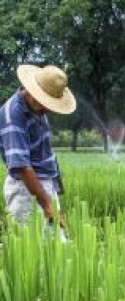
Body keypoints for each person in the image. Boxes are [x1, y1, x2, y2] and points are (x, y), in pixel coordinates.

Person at [0, 65, 77, 238]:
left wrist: (55, 189)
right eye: (48, 103)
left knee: (57, 245)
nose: (50, 109)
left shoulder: (37, 110)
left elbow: (44, 151)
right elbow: (21, 166)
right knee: (29, 246)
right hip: (25, 190)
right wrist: (47, 204)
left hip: (43, 187)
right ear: (35, 94)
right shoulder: (13, 115)